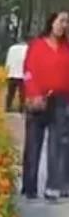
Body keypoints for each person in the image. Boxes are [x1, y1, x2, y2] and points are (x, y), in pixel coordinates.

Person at [21, 11, 69, 201]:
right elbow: (28, 72)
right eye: (62, 21)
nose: (64, 25)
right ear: (52, 23)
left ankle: (54, 186)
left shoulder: (66, 48)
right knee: (33, 143)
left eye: (67, 22)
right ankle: (30, 186)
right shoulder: (37, 46)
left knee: (58, 144)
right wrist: (34, 95)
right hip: (39, 99)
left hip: (61, 100)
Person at [5, 36, 29, 113]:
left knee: (10, 92)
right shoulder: (28, 48)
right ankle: (21, 108)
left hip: (11, 73)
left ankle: (8, 107)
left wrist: (7, 70)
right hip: (22, 74)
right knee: (22, 93)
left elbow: (8, 61)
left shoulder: (12, 48)